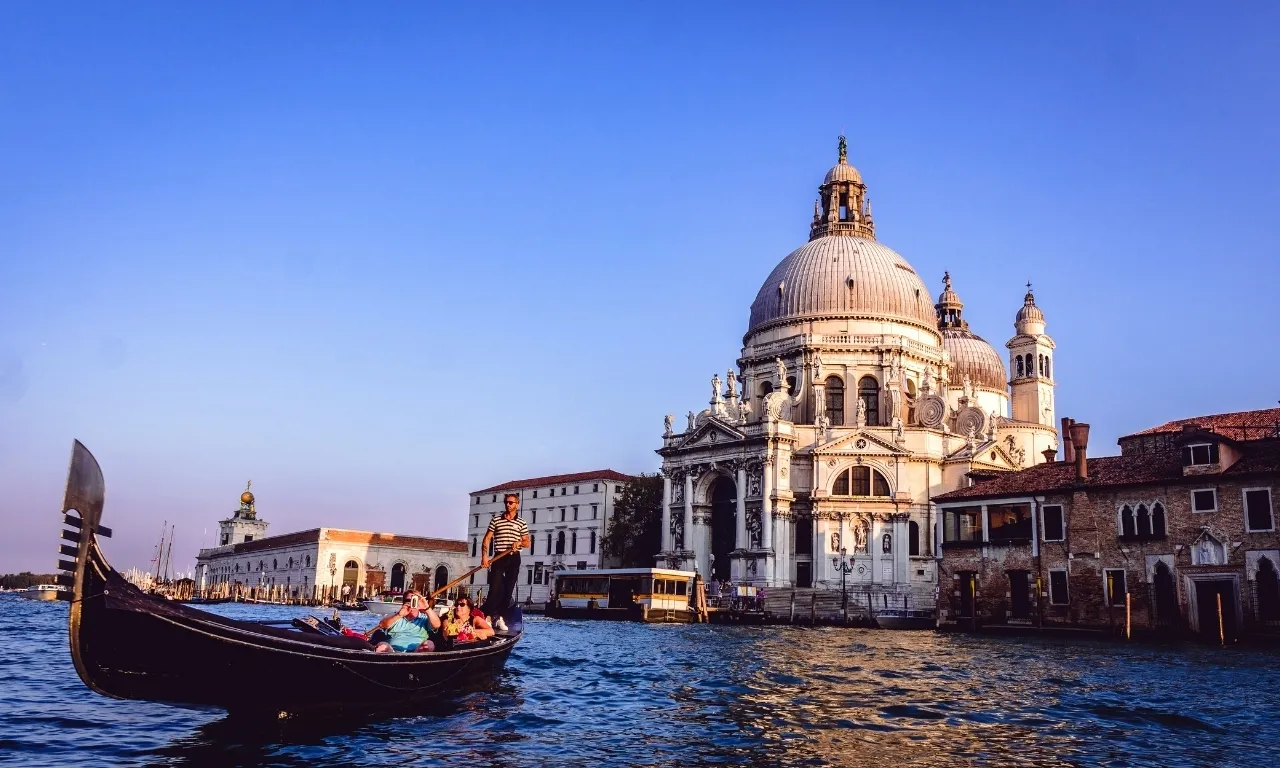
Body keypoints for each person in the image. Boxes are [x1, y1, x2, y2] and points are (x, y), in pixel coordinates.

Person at [480, 493, 530, 632]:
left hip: (514, 558)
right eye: (506, 502)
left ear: (517, 504)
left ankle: (500, 618)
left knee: (508, 591)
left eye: (511, 502)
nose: (508, 505)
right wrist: (484, 557)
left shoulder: (522, 523)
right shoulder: (496, 520)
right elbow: (487, 539)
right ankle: (488, 617)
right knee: (494, 589)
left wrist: (519, 542)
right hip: (498, 558)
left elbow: (527, 542)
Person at [372, 590, 439, 653]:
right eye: (408, 600)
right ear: (403, 602)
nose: (411, 603)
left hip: (417, 652)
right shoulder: (395, 616)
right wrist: (399, 615)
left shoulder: (424, 618)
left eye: (414, 600)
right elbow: (382, 625)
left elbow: (437, 625)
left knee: (430, 644)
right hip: (392, 651)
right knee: (382, 646)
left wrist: (426, 608)